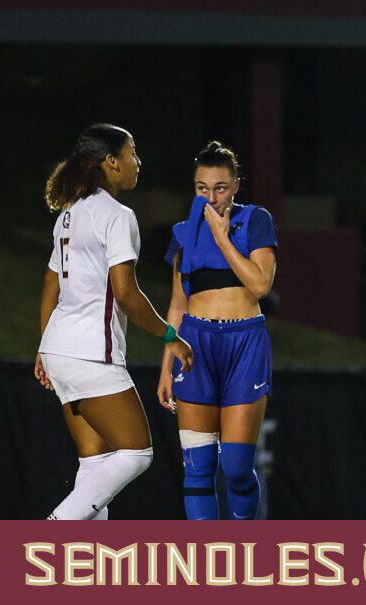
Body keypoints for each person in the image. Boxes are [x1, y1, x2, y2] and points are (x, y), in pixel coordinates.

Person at [35, 123, 193, 520]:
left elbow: (50, 285)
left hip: (59, 349)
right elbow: (126, 294)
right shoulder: (117, 216)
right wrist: (170, 336)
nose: (138, 162)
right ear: (111, 162)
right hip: (91, 352)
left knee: (95, 463)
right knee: (137, 453)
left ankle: (85, 572)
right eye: (132, 153)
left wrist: (43, 347)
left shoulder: (68, 215)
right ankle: (55, 529)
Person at [157, 141, 277, 520]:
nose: (211, 197)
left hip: (244, 342)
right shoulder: (182, 232)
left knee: (238, 468)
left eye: (220, 187)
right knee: (198, 470)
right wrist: (165, 362)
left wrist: (223, 238)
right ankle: (207, 566)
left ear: (237, 185)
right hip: (194, 344)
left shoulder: (256, 219)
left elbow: (260, 286)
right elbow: (177, 304)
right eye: (202, 188)